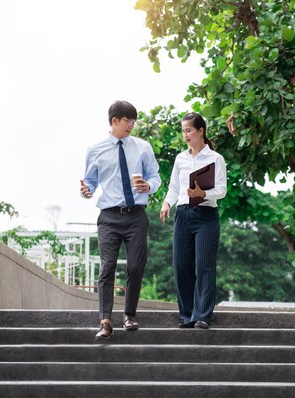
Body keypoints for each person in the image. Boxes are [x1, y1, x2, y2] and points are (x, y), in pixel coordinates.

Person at [80, 100, 161, 340]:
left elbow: (154, 176)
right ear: (114, 121)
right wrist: (87, 190)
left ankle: (129, 314)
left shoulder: (143, 147)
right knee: (108, 267)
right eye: (128, 121)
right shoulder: (95, 150)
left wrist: (148, 186)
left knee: (136, 266)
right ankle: (105, 320)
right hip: (109, 216)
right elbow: (90, 182)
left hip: (136, 214)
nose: (132, 125)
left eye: (134, 121)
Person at [159, 112, 227, 329]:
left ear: (201, 131)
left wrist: (202, 194)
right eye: (183, 131)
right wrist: (167, 203)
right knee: (181, 265)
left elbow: (222, 190)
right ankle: (187, 315)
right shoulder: (181, 158)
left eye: (188, 130)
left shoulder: (215, 159)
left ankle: (203, 316)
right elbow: (174, 187)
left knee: (205, 266)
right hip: (183, 215)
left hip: (206, 215)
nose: (185, 135)